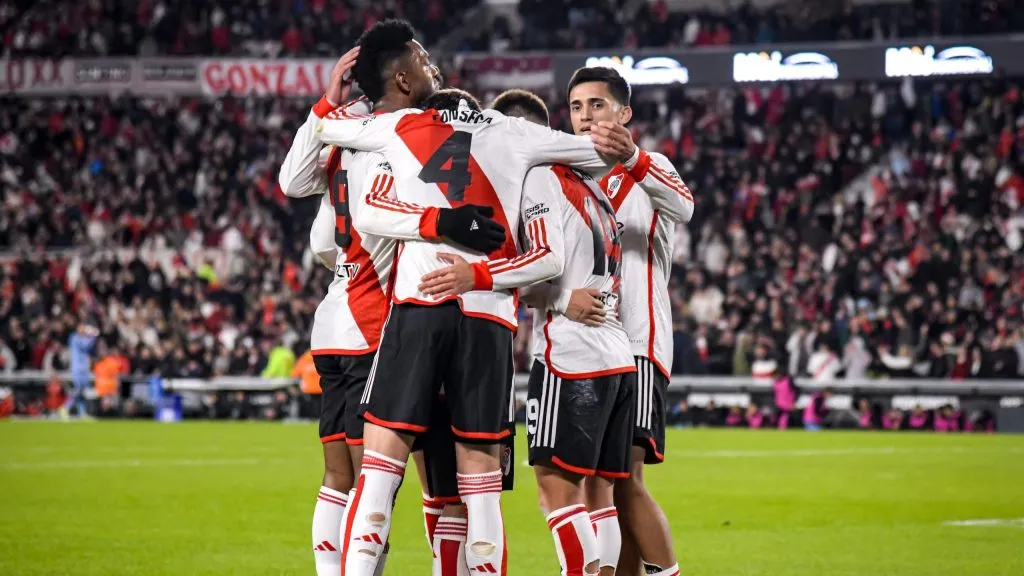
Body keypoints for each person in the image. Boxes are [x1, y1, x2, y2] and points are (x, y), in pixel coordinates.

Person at [315, 64, 617, 575]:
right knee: (478, 490)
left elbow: (341, 160)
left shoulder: (404, 128)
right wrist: (625, 143)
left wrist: (332, 101)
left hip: (416, 307)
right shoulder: (519, 142)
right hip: (489, 321)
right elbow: (597, 159)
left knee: (381, 470)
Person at [277, 23, 503, 576]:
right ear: (401, 75)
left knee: (342, 475)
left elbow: (303, 206)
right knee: (396, 476)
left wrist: (328, 105)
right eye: (423, 57)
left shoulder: (347, 128)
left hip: (337, 317)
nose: (434, 66)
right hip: (382, 317)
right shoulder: (407, 131)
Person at [471, 88, 634, 575]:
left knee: (556, 492)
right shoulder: (591, 184)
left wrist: (484, 277)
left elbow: (549, 261)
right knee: (596, 494)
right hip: (614, 352)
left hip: (571, 354)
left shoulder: (540, 176)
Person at [566, 66, 694, 576]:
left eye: (597, 105)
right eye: (576, 107)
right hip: (592, 349)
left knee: (625, 477)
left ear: (624, 113)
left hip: (639, 343)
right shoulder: (566, 176)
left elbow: (683, 207)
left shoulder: (651, 168)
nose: (585, 116)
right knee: (600, 482)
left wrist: (634, 158)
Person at [66, 323, 98, 418]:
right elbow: (85, 346)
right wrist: (93, 336)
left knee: (82, 392)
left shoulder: (82, 338)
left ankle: (82, 413)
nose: (83, 331)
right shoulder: (74, 338)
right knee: (78, 389)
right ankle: (66, 407)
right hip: (77, 368)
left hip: (83, 368)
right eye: (82, 329)